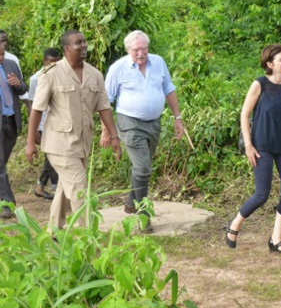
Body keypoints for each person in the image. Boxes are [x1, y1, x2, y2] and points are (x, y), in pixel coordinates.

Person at [25, 30, 122, 229]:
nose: (84, 45)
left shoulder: (94, 74)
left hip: (82, 143)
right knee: (79, 188)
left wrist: (114, 136)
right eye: (78, 43)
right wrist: (29, 142)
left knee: (64, 186)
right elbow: (37, 109)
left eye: (84, 42)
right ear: (67, 48)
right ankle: (90, 235)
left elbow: (104, 107)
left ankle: (53, 230)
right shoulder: (51, 74)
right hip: (59, 144)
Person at [102, 30, 184, 233]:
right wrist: (107, 131)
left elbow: (169, 89)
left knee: (143, 167)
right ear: (128, 49)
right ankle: (143, 215)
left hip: (154, 123)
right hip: (129, 123)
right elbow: (105, 101)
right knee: (143, 168)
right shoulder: (118, 68)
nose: (141, 53)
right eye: (136, 49)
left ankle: (131, 201)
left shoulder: (158, 62)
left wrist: (178, 118)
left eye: (144, 49)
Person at [225, 44, 281, 255]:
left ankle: (276, 240)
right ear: (270, 64)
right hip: (262, 147)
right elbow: (244, 114)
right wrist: (248, 145)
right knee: (261, 195)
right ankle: (234, 225)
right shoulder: (260, 84)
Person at [28, 48, 61, 200]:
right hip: (43, 124)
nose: (52, 66)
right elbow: (33, 105)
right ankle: (51, 186)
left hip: (58, 122)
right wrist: (33, 131)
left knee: (53, 154)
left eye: (56, 63)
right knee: (52, 155)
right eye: (50, 63)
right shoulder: (36, 79)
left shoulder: (62, 75)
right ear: (44, 62)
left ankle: (42, 186)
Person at [0, 39, 28, 219]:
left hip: (11, 120)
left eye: (2, 54)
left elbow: (24, 89)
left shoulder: (11, 64)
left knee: (2, 163)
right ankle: (8, 203)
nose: (1, 58)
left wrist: (18, 84)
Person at [0, 29, 29, 106]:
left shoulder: (12, 59)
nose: (5, 43)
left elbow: (21, 85)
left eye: (6, 41)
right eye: (2, 41)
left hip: (12, 108)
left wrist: (18, 83)